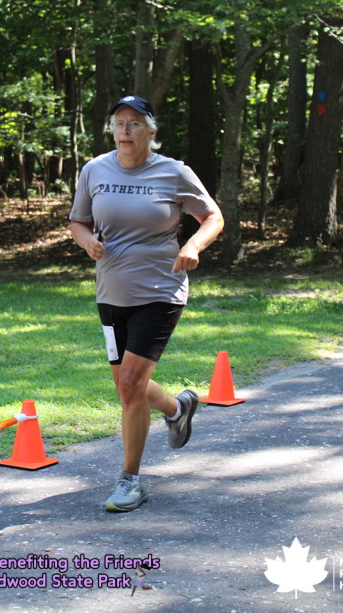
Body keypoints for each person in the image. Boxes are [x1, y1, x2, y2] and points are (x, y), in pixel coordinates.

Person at [69, 95, 224, 512]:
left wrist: (193, 245)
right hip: (111, 292)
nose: (125, 130)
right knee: (126, 384)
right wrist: (87, 242)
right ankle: (177, 409)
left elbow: (213, 217)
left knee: (130, 385)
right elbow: (78, 221)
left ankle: (130, 481)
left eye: (134, 123)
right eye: (119, 123)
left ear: (151, 132)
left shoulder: (174, 172)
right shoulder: (94, 170)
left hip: (160, 289)